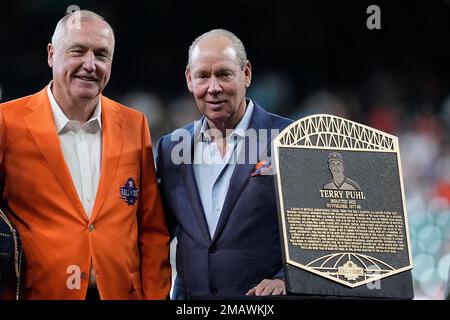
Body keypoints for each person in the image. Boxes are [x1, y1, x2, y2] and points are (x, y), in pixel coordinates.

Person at [0, 10, 171, 299]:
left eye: (101, 55)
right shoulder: (6, 121)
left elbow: (151, 230)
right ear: (52, 54)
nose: (90, 65)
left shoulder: (134, 123)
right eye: (78, 51)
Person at [156, 29, 293, 298]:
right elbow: (158, 235)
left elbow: (318, 233)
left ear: (246, 74)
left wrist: (286, 279)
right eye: (203, 76)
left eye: (224, 74)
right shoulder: (171, 147)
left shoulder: (291, 139)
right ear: (189, 79)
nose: (213, 87)